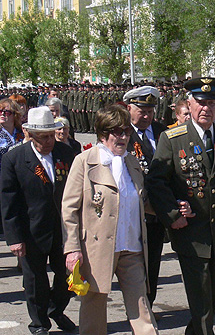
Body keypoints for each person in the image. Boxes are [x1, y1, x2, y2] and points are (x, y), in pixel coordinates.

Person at [146, 77, 215, 335]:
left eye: (212, 103)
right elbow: (156, 181)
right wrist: (173, 213)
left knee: (210, 297)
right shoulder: (173, 139)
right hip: (190, 231)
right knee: (202, 297)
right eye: (201, 103)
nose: (206, 108)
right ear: (190, 104)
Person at [61, 104, 158, 335]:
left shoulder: (131, 162)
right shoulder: (84, 161)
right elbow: (69, 209)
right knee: (93, 309)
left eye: (126, 131)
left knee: (142, 308)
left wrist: (175, 208)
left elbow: (142, 201)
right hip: (97, 249)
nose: (123, 137)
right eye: (117, 131)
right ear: (103, 133)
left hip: (131, 247)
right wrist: (72, 249)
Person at [1, 106, 75, 335]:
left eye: (51, 135)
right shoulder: (14, 159)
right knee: (35, 282)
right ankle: (39, 323)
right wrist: (14, 238)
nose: (49, 141)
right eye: (43, 137)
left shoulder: (66, 153)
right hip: (31, 230)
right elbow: (8, 202)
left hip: (63, 229)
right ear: (29, 135)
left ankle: (56, 309)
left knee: (68, 278)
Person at [123, 86, 168, 312]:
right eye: (141, 110)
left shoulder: (162, 132)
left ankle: (147, 307)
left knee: (153, 263)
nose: (146, 116)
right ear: (128, 108)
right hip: (131, 212)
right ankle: (134, 308)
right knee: (132, 264)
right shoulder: (122, 134)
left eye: (150, 110)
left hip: (156, 213)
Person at [0, 98, 25, 168]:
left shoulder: (23, 133)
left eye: (6, 112)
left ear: (15, 115)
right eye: (0, 111)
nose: (2, 114)